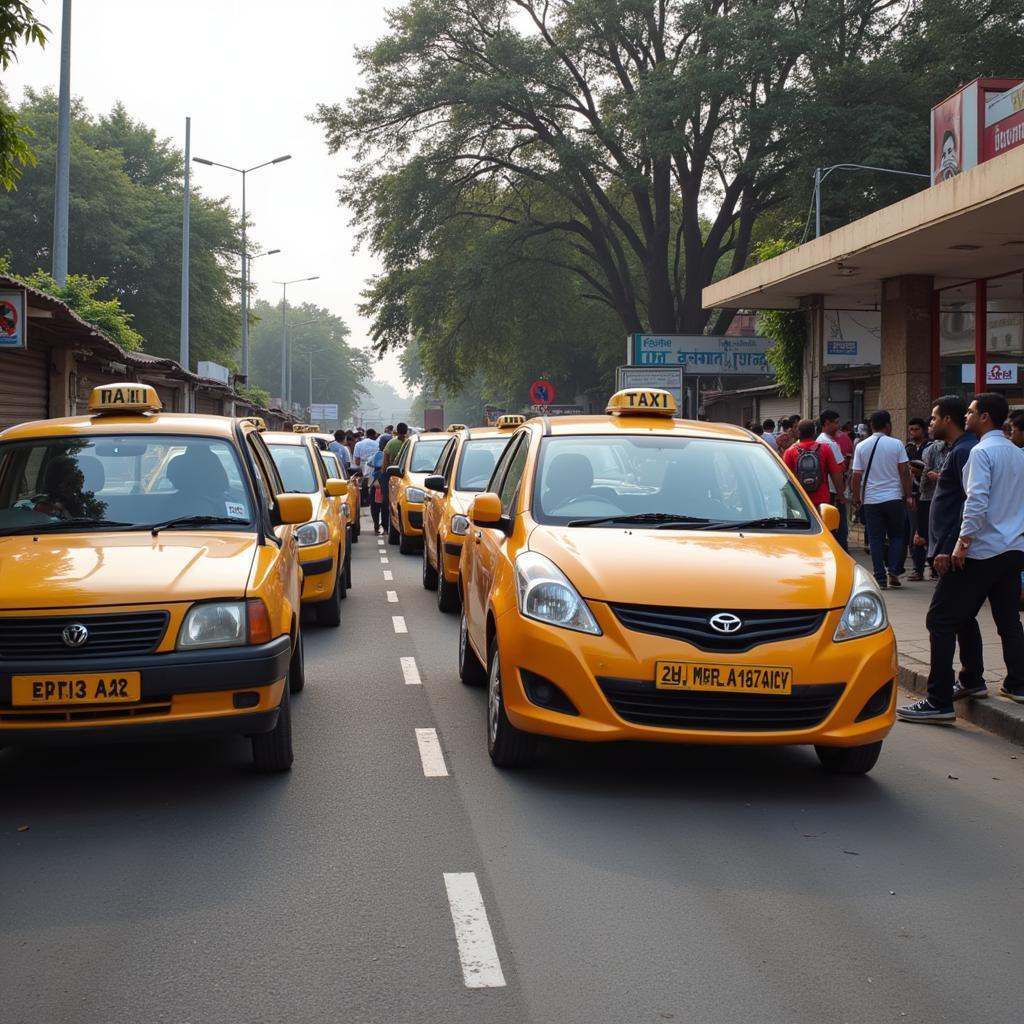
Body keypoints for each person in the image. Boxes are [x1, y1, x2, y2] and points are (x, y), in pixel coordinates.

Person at [898, 393, 1024, 722]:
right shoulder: (1016, 452)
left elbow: (976, 501)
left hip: (981, 550)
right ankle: (1014, 683)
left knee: (940, 619)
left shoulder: (981, 452)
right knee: (1008, 621)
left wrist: (961, 544)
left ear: (984, 417)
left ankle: (938, 700)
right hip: (1011, 549)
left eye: (970, 412)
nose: (966, 417)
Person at [850, 409, 913, 589]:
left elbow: (856, 476)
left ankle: (879, 576)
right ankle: (893, 570)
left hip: (871, 500)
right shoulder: (896, 444)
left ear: (871, 426)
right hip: (894, 498)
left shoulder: (861, 446)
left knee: (875, 538)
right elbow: (905, 472)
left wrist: (857, 497)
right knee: (897, 536)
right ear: (888, 425)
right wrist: (908, 495)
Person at [914, 424, 951, 580]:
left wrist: (939, 476)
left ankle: (939, 570)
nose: (930, 427)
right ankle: (921, 569)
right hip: (929, 497)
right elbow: (925, 473)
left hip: (946, 500)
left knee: (940, 535)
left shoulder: (962, 449)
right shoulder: (932, 449)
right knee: (922, 535)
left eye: (935, 421)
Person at [784, 419, 844, 511]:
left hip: (800, 500)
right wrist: (841, 496)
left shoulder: (790, 452)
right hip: (822, 500)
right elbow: (836, 474)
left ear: (798, 432)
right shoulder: (825, 449)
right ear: (814, 432)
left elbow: (786, 478)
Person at [816, 409, 849, 551]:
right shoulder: (829, 444)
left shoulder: (818, 441)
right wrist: (842, 495)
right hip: (834, 492)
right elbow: (839, 470)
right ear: (826, 423)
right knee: (840, 529)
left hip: (824, 491)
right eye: (835, 423)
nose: (838, 426)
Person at [904, 417, 931, 580]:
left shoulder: (931, 447)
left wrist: (922, 473)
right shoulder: (908, 448)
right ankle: (918, 568)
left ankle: (933, 567)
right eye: (911, 430)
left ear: (924, 430)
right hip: (913, 494)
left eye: (916, 429)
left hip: (928, 494)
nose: (913, 433)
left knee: (927, 531)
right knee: (914, 531)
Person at [353, 428, 380, 507]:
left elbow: (357, 461)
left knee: (362, 485)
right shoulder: (377, 444)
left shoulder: (358, 444)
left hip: (362, 467)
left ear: (365, 435)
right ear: (374, 435)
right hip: (375, 468)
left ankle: (364, 500)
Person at [370, 435, 387, 534]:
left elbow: (372, 464)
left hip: (377, 482)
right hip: (384, 482)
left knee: (375, 506)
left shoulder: (379, 454)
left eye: (381, 443)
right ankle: (383, 526)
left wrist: (376, 479)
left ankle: (377, 525)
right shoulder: (384, 454)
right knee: (383, 506)